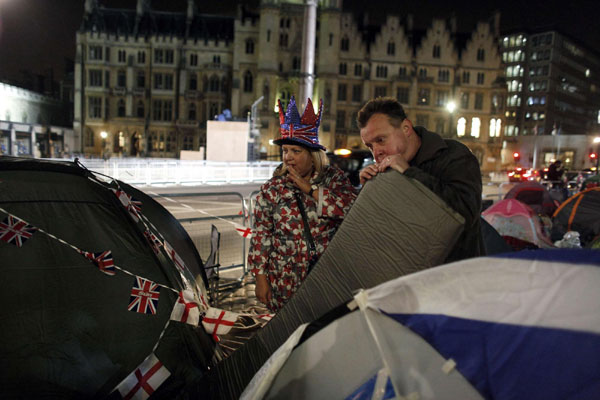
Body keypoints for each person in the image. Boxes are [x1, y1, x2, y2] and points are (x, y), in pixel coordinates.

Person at [249, 96, 357, 312]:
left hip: (323, 277)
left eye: (296, 152)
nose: (288, 157)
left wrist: (310, 190)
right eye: (285, 151)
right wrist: (260, 278)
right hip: (283, 280)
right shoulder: (273, 188)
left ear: (312, 155)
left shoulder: (333, 179)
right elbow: (262, 234)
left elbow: (351, 210)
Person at [357, 97, 484, 263]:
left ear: (406, 128)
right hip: (408, 275)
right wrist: (369, 194)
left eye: (380, 140)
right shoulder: (385, 173)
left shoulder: (455, 156)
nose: (376, 152)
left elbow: (465, 214)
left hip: (455, 275)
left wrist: (410, 173)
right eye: (370, 146)